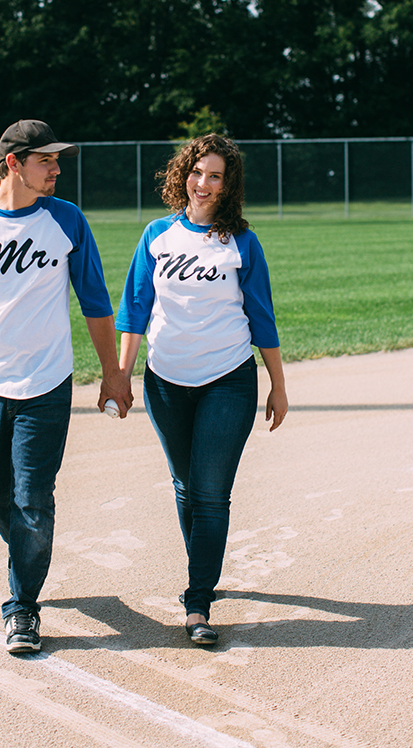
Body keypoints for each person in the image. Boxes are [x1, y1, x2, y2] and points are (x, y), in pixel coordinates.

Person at [0, 119, 129, 655]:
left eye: (58, 160)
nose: (58, 168)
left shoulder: (66, 221)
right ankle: (29, 552)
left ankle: (22, 608)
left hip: (48, 385)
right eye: (47, 160)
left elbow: (95, 303)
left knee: (33, 501)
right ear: (14, 163)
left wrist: (113, 373)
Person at [116, 133, 287, 646]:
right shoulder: (157, 236)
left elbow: (262, 316)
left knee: (211, 495)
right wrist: (120, 374)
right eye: (197, 172)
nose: (203, 183)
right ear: (182, 175)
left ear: (227, 184)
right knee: (186, 487)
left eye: (215, 175)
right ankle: (204, 571)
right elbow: (135, 310)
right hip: (165, 382)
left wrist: (278, 384)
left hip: (228, 379)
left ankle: (197, 601)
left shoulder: (242, 242)